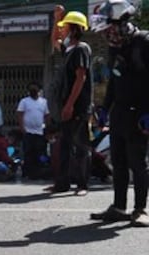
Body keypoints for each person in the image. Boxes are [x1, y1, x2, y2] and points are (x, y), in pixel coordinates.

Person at [89, 0, 149, 226]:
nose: (106, 35)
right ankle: (119, 206)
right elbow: (114, 81)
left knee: (138, 162)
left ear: (121, 24)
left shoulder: (143, 43)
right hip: (120, 113)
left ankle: (141, 209)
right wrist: (105, 108)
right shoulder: (115, 49)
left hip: (141, 115)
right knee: (119, 162)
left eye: (109, 30)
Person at [53, 11, 94, 196]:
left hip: (78, 107)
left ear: (74, 29)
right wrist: (56, 19)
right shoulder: (68, 50)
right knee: (64, 145)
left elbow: (81, 78)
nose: (62, 31)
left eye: (65, 27)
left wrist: (70, 105)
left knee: (81, 146)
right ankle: (61, 184)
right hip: (66, 106)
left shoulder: (81, 49)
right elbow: (54, 41)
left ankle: (83, 185)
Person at [17, 82, 51, 179]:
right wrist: (22, 128)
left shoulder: (43, 102)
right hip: (28, 132)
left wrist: (47, 129)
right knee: (28, 153)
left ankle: (38, 173)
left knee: (39, 153)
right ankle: (27, 173)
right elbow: (19, 114)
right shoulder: (24, 101)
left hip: (39, 132)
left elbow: (47, 115)